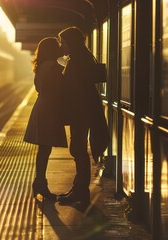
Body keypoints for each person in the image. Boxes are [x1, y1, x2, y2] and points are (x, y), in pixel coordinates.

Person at [57, 26, 108, 205]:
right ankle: (78, 189)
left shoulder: (76, 60)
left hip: (80, 110)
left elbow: (71, 86)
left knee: (78, 149)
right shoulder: (83, 57)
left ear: (71, 42)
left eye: (63, 42)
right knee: (78, 149)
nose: (61, 46)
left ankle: (81, 193)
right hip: (85, 109)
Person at [23, 37, 68, 200]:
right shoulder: (54, 67)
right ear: (51, 49)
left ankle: (39, 182)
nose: (60, 48)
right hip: (50, 109)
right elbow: (62, 88)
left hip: (42, 106)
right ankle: (40, 183)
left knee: (44, 149)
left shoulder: (41, 66)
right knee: (45, 149)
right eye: (57, 46)